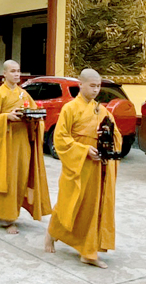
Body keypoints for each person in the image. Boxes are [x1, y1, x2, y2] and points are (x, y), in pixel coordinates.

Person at [44, 69, 119, 268]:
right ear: (81, 85)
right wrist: (84, 150)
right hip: (77, 165)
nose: (96, 90)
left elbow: (115, 133)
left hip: (97, 166)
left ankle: (88, 251)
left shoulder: (100, 110)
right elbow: (60, 139)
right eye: (92, 86)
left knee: (92, 207)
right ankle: (51, 233)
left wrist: (107, 143)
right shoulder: (70, 108)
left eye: (98, 86)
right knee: (69, 202)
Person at [0, 60, 51, 234]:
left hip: (22, 143)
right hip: (5, 144)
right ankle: (6, 217)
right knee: (6, 179)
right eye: (12, 71)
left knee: (20, 179)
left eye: (18, 71)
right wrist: (6, 117)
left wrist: (34, 120)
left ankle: (13, 213)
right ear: (4, 73)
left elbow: (35, 113)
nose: (16, 74)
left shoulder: (24, 94)